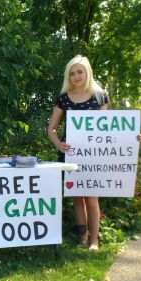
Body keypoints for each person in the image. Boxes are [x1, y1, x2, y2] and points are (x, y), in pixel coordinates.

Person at [48, 55, 110, 250]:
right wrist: (58, 144)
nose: (76, 76)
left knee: (92, 198)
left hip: (93, 155)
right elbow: (52, 129)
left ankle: (94, 241)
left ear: (87, 72)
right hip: (71, 155)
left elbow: (109, 129)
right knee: (76, 197)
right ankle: (82, 240)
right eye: (72, 73)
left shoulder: (100, 96)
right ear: (68, 76)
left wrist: (132, 138)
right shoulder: (63, 98)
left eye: (80, 72)